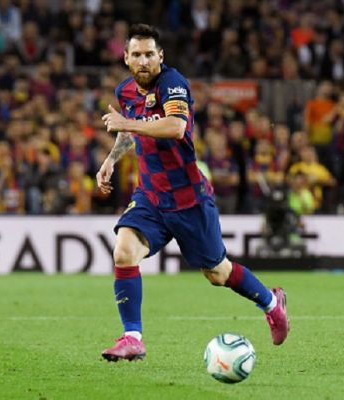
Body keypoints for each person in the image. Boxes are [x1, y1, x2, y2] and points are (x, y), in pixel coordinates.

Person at [96, 24, 290, 362]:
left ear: (160, 56)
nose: (143, 61)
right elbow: (131, 132)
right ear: (126, 58)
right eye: (136, 54)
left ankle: (272, 303)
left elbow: (175, 127)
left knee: (218, 273)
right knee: (124, 252)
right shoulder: (125, 91)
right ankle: (132, 337)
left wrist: (127, 124)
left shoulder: (173, 83)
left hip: (188, 199)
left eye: (149, 54)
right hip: (150, 196)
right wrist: (111, 159)